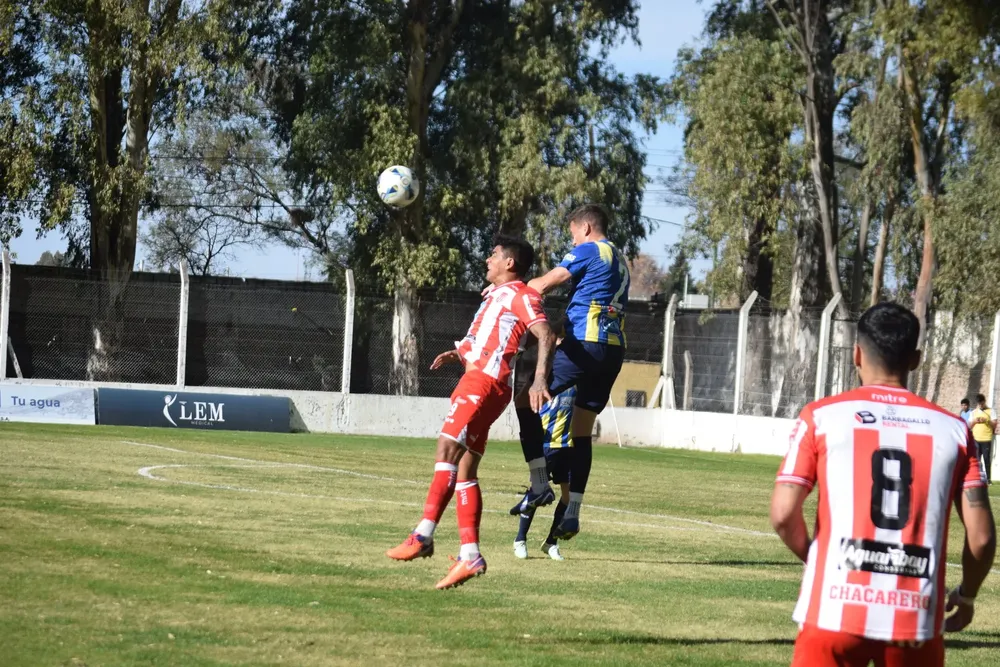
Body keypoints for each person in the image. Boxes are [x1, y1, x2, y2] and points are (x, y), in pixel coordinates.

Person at [771, 301, 996, 667]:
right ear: (916, 359)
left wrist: (820, 562)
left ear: (856, 354)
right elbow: (982, 537)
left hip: (833, 611)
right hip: (915, 619)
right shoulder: (956, 431)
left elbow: (783, 515)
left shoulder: (821, 417)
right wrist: (967, 595)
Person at [385, 235, 556, 590]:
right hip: (480, 379)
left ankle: (423, 535)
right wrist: (460, 353)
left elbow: (545, 333)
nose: (487, 260)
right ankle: (470, 555)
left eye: (493, 255)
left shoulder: (521, 295)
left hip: (484, 383)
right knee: (465, 468)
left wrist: (539, 379)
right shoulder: (494, 296)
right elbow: (488, 338)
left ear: (510, 263)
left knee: (445, 448)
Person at [510, 203, 630, 541]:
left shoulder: (591, 249)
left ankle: (538, 484)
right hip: (613, 350)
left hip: (584, 344)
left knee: (524, 402)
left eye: (573, 234)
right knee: (581, 432)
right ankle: (572, 511)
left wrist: (514, 294)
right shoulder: (619, 258)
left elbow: (547, 283)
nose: (573, 242)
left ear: (586, 228)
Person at [512, 383, 576, 561]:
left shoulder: (578, 376)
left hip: (568, 445)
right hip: (546, 444)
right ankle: (520, 540)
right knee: (536, 493)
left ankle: (551, 542)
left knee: (568, 496)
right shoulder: (549, 377)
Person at [970, 393, 996, 485]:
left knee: (986, 459)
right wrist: (974, 421)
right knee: (976, 460)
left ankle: (988, 479)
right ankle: (976, 478)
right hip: (976, 439)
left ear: (984, 401)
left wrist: (986, 420)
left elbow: (994, 424)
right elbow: (969, 425)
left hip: (986, 439)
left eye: (981, 403)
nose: (980, 405)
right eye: (979, 404)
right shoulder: (974, 412)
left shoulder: (990, 411)